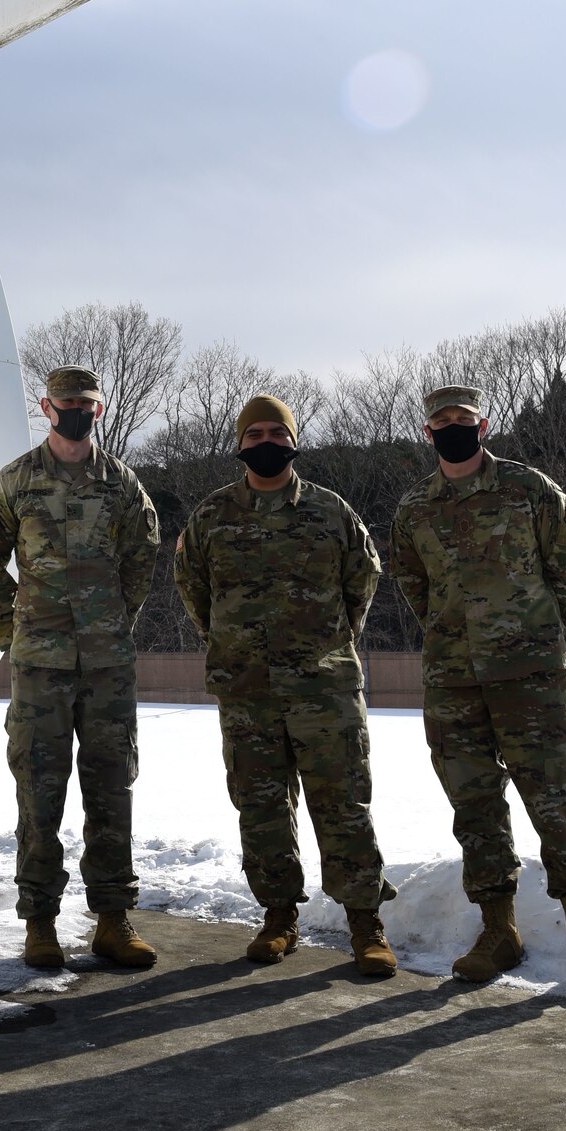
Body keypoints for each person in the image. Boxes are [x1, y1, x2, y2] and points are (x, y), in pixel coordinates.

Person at [391, 384, 566, 995]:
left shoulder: (528, 488)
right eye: (443, 421)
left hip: (531, 675)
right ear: (428, 432)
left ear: (484, 425)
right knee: (475, 809)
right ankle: (499, 931)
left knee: (555, 805)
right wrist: (452, 637)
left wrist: (551, 639)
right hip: (453, 678)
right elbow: (416, 585)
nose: (454, 427)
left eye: (464, 418)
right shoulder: (415, 508)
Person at [173, 394, 396, 976]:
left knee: (344, 805)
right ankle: (278, 917)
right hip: (247, 692)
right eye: (255, 434)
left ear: (293, 440)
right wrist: (234, 646)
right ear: (240, 444)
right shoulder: (211, 517)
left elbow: (362, 582)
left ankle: (365, 924)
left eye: (277, 431)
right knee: (261, 807)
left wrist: (325, 645)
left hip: (323, 689)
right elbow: (195, 590)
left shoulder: (330, 511)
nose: (266, 441)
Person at [0, 364, 161, 970]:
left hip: (107, 666)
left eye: (84, 402)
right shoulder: (15, 482)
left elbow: (142, 554)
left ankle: (112, 918)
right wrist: (12, 627)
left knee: (111, 789)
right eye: (64, 402)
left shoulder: (122, 484)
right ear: (46, 409)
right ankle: (41, 923)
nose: (74, 410)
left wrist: (113, 620)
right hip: (40, 666)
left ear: (98, 410)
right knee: (40, 790)